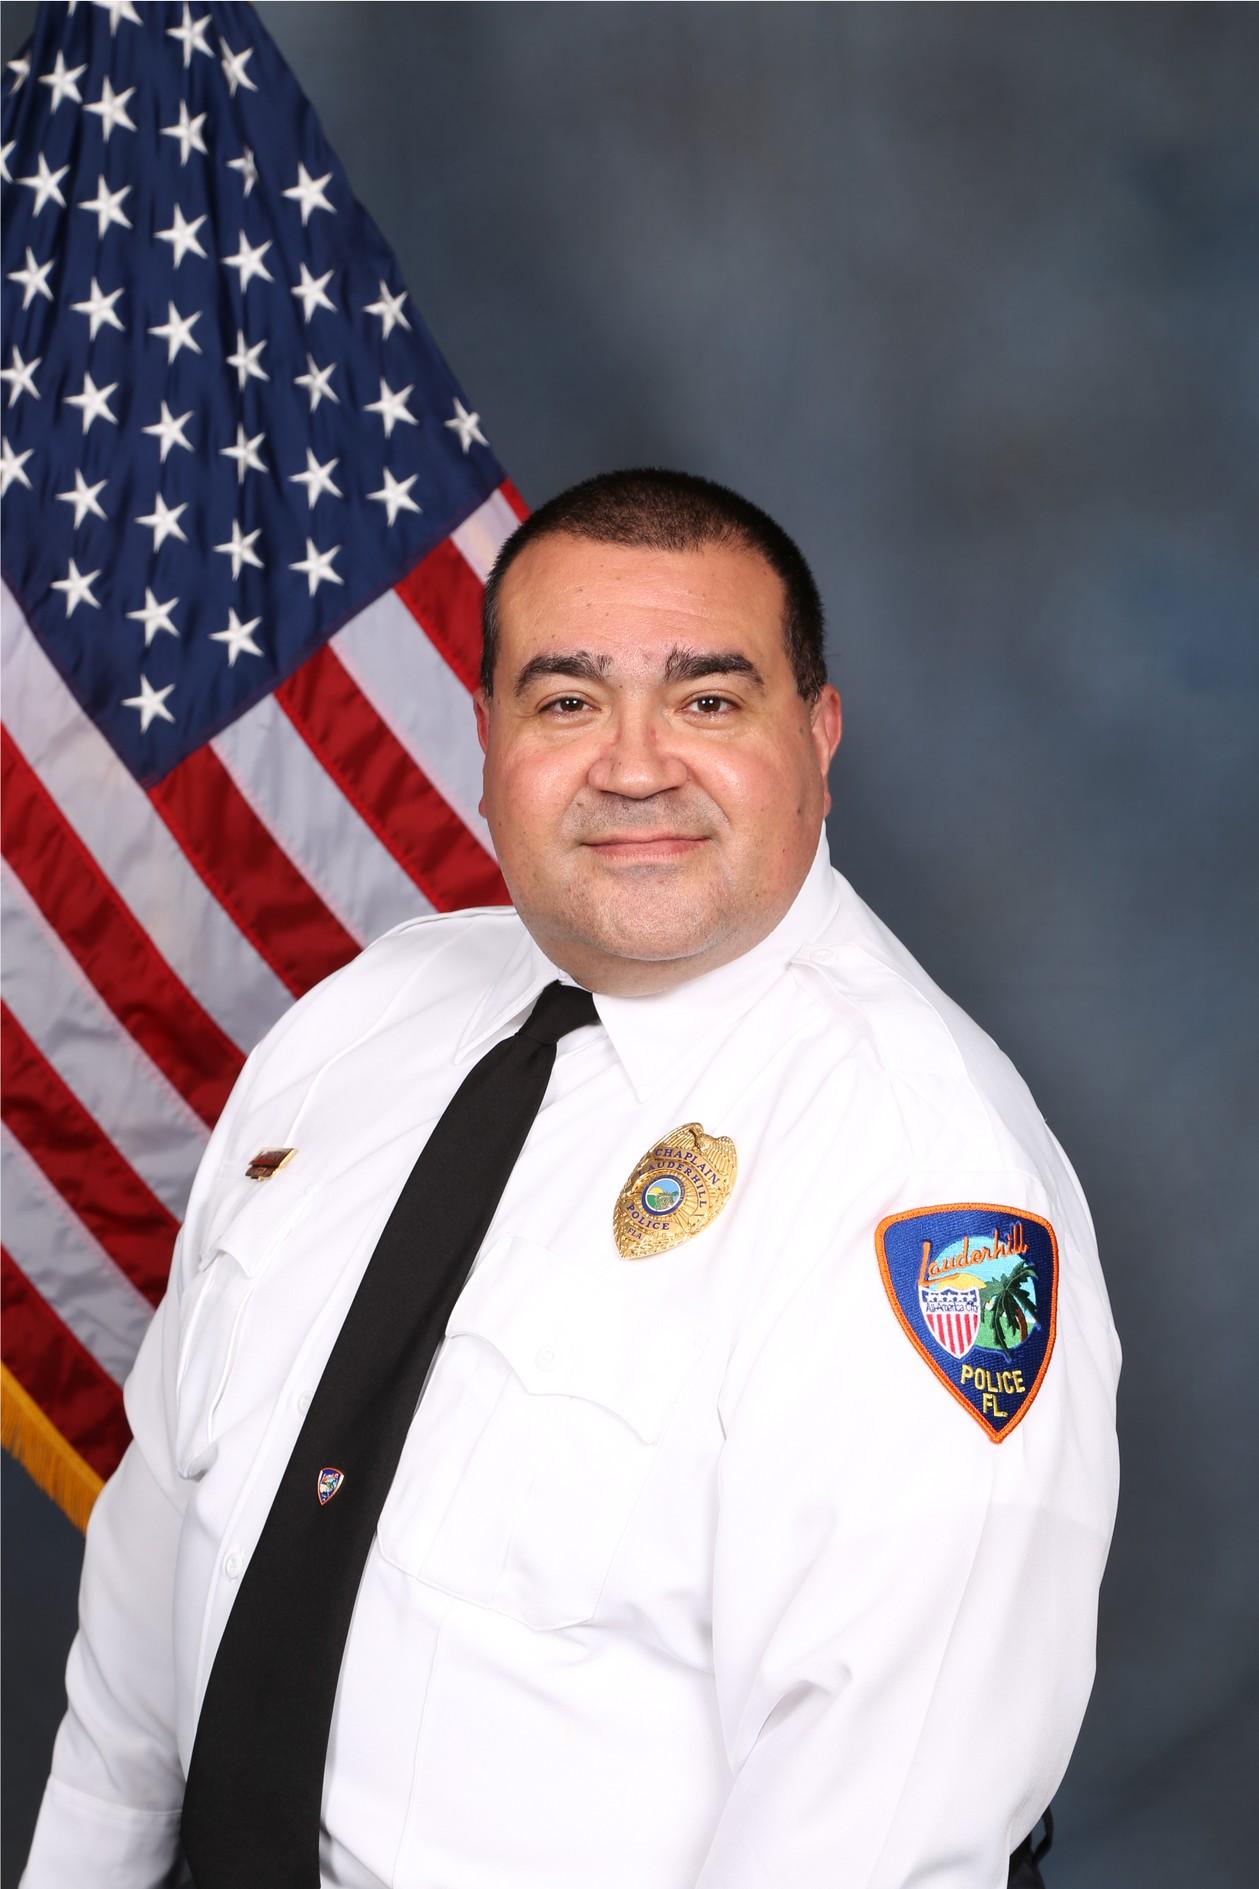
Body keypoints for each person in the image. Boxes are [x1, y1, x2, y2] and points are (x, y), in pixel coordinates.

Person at [23, 469, 1120, 1888]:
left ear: (818, 735)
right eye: (566, 700)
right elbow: (139, 1636)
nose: (635, 764)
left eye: (708, 699)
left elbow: (871, 1843)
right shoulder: (355, 1029)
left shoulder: (920, 1189)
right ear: (487, 740)